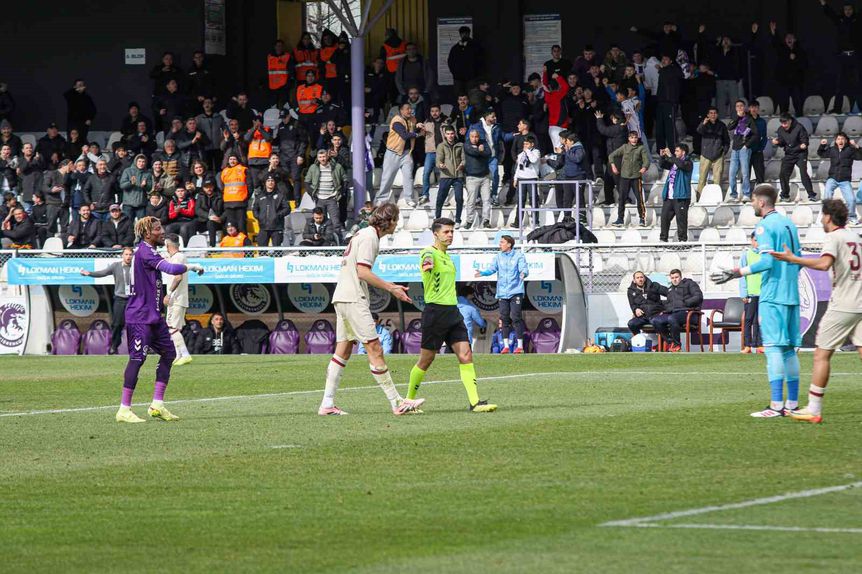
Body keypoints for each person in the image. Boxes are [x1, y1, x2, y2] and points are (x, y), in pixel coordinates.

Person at [319, 203, 424, 416]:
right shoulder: (370, 237)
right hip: (353, 297)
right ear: (390, 221)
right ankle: (396, 403)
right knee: (374, 347)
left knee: (344, 349)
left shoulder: (363, 234)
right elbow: (362, 272)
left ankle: (327, 403)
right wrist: (391, 288)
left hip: (343, 296)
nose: (397, 224)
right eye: (396, 220)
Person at [711, 184, 802, 418]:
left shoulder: (764, 227)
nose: (751, 204)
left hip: (772, 295)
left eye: (752, 200)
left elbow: (767, 262)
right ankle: (791, 404)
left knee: (773, 349)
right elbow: (798, 260)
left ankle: (775, 406)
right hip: (791, 293)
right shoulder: (789, 224)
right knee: (790, 350)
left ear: (761, 202)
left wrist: (736, 271)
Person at [770, 199, 862, 423]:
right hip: (861, 301)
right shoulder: (854, 237)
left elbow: (823, 264)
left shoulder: (834, 237)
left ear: (829, 217)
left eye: (822, 215)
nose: (821, 219)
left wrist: (793, 259)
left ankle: (814, 408)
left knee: (822, 354)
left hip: (844, 304)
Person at [115, 216, 204, 423]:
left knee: (169, 353)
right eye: (157, 229)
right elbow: (172, 269)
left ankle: (157, 404)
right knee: (137, 359)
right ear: (148, 234)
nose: (162, 231)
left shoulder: (150, 251)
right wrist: (193, 266)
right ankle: (124, 409)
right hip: (139, 316)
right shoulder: (145, 252)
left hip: (153, 316)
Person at [407, 218, 497, 412]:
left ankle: (475, 402)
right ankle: (408, 401)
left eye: (452, 232)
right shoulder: (428, 252)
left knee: (466, 355)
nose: (450, 235)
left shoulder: (448, 256)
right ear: (436, 234)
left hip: (453, 312)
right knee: (426, 359)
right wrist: (427, 266)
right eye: (446, 232)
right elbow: (426, 263)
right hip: (435, 312)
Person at [475, 234, 529, 354]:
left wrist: (523, 273)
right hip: (502, 293)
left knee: (515, 317)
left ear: (509, 244)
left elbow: (524, 268)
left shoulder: (519, 255)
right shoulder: (498, 257)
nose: (500, 244)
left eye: (502, 242)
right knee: (504, 318)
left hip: (515, 291)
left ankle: (520, 346)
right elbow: (492, 269)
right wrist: (483, 273)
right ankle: (505, 346)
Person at [79, 247, 133, 354]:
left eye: (130, 255)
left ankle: (135, 347)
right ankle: (114, 345)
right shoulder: (116, 266)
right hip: (120, 299)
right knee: (117, 324)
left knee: (134, 325)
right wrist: (89, 273)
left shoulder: (136, 267)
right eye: (126, 254)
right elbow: (102, 273)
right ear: (122, 255)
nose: (128, 257)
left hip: (133, 299)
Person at [820, 0, 862, 114]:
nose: (848, 11)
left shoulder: (857, 20)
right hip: (843, 57)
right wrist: (824, 4)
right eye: (846, 10)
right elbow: (831, 14)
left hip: (855, 56)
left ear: (853, 10)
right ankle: (837, 108)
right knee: (840, 84)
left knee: (859, 83)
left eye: (850, 9)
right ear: (843, 11)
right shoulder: (840, 20)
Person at [376, 102, 423, 205]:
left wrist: (418, 126)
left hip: (406, 153)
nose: (409, 111)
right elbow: (404, 135)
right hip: (393, 153)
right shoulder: (396, 121)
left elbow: (414, 126)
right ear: (401, 111)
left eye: (410, 108)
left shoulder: (412, 119)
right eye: (407, 109)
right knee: (387, 177)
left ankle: (409, 199)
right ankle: (382, 198)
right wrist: (417, 134)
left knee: (408, 176)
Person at [650, 269, 704, 352]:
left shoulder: (689, 284)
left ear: (680, 277)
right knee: (655, 320)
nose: (674, 279)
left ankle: (677, 345)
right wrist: (664, 311)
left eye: (676, 277)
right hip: (674, 313)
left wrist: (686, 303)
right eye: (672, 278)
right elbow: (668, 304)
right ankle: (670, 341)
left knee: (672, 318)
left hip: (689, 313)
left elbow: (698, 296)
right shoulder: (670, 290)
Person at [162, 233, 193, 366]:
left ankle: (185, 354)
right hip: (175, 299)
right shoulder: (175, 257)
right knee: (172, 327)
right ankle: (178, 355)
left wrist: (168, 293)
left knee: (173, 327)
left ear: (168, 245)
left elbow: (178, 277)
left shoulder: (178, 257)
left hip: (177, 298)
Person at [818, 132, 861, 224]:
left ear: (846, 140)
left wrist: (856, 146)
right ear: (836, 141)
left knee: (851, 199)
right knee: (827, 196)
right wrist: (822, 145)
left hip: (844, 180)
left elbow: (860, 156)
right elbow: (821, 154)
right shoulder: (832, 150)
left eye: (842, 139)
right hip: (832, 178)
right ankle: (826, 215)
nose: (840, 141)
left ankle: (851, 216)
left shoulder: (850, 150)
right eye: (838, 139)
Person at [609, 131, 650, 227]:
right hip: (624, 177)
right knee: (622, 199)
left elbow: (646, 161)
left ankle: (642, 218)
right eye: (632, 137)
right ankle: (620, 219)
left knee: (639, 199)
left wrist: (644, 167)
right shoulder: (624, 147)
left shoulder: (641, 148)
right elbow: (611, 156)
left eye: (635, 137)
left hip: (636, 177)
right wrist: (613, 166)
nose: (634, 139)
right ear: (629, 138)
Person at [772, 113, 815, 202]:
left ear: (790, 121)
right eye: (782, 123)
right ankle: (785, 195)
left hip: (800, 153)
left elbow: (805, 140)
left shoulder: (799, 127)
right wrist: (777, 142)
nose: (784, 125)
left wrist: (804, 144)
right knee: (783, 174)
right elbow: (782, 142)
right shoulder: (781, 130)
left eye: (785, 123)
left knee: (803, 173)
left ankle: (811, 194)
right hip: (789, 154)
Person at [304, 148, 345, 233]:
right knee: (320, 221)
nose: (322, 159)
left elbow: (345, 179)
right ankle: (322, 241)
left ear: (327, 156)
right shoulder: (313, 167)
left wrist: (341, 191)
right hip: (319, 199)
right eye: (320, 157)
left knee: (336, 221)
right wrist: (312, 193)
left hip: (332, 198)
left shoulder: (337, 167)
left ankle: (338, 242)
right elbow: (307, 182)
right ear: (317, 158)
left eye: (324, 156)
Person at [658, 144, 693, 242]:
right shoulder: (674, 162)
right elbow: (662, 165)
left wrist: (671, 156)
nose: (675, 153)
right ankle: (663, 239)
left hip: (681, 197)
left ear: (683, 152)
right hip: (669, 197)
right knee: (664, 218)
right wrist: (662, 156)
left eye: (677, 151)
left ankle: (682, 241)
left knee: (681, 220)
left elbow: (681, 165)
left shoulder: (688, 162)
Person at [727, 100, 759, 202]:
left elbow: (756, 134)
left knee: (745, 173)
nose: (739, 108)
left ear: (744, 107)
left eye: (741, 106)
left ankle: (746, 194)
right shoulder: (736, 119)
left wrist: (747, 145)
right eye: (737, 106)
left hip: (744, 149)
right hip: (735, 148)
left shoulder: (749, 119)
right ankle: (733, 195)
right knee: (732, 173)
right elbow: (729, 127)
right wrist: (737, 117)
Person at [695, 107, 728, 200]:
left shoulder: (722, 125)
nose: (713, 115)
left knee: (717, 180)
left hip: (718, 155)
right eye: (711, 113)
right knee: (702, 179)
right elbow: (698, 131)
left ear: (717, 115)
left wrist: (723, 151)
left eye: (714, 113)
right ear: (708, 115)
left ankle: (716, 198)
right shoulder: (704, 124)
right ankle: (699, 198)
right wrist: (703, 124)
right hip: (705, 155)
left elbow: (726, 140)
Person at [434, 125, 466, 222]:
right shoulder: (441, 146)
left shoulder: (460, 145)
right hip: (445, 175)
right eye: (448, 134)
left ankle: (458, 220)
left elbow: (464, 159)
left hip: (458, 176)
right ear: (445, 135)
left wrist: (462, 164)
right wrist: (440, 165)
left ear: (454, 134)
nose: (450, 136)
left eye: (452, 133)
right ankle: (437, 217)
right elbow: (438, 160)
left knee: (459, 199)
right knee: (440, 198)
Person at [463, 127, 492, 229]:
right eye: (472, 137)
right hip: (472, 177)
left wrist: (480, 151)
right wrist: (479, 151)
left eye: (476, 137)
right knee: (471, 201)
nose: (474, 139)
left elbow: (489, 153)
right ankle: (469, 221)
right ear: (469, 137)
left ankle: (486, 220)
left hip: (485, 177)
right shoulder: (466, 144)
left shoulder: (484, 143)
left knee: (487, 200)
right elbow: (472, 153)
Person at [739, 232, 762, 354]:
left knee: (760, 320)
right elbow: (742, 275)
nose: (757, 242)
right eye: (756, 240)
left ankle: (759, 345)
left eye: (760, 240)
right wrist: (744, 293)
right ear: (752, 241)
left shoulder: (765, 255)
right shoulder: (746, 255)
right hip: (751, 293)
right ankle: (747, 345)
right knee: (748, 319)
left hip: (763, 293)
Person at [218, 152, 252, 233]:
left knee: (241, 226)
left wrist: (246, 197)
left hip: (240, 202)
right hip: (228, 203)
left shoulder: (244, 170)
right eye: (230, 159)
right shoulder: (224, 171)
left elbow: (250, 186)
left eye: (234, 159)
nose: (232, 161)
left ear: (237, 160)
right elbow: (222, 186)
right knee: (230, 227)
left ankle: (243, 244)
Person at [253, 175, 291, 247]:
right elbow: (255, 209)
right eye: (268, 181)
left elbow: (287, 208)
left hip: (277, 227)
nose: (270, 182)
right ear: (265, 183)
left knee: (277, 251)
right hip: (263, 227)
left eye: (272, 181)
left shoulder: (280, 195)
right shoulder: (260, 196)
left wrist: (277, 215)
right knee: (262, 251)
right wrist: (259, 216)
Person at [119, 154, 152, 221]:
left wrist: (145, 186)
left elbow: (150, 188)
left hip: (141, 204)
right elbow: (122, 185)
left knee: (142, 225)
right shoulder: (127, 171)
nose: (141, 163)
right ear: (135, 162)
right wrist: (131, 183)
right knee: (128, 225)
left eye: (143, 162)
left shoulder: (148, 173)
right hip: (128, 204)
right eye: (139, 161)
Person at [194, 177, 223, 247]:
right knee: (189, 226)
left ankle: (212, 247)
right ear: (203, 188)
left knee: (211, 223)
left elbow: (225, 210)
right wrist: (208, 216)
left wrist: (220, 218)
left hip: (217, 221)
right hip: (204, 220)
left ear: (213, 186)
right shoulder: (200, 196)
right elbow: (197, 210)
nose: (208, 189)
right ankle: (190, 248)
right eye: (206, 187)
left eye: (210, 187)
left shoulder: (220, 196)